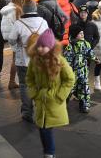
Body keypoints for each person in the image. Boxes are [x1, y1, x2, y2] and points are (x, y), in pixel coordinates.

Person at [26, 29, 75, 158]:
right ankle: (48, 153)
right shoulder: (34, 61)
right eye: (39, 46)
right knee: (42, 128)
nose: (40, 49)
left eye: (44, 46)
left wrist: (59, 96)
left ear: (51, 47)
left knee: (45, 129)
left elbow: (69, 79)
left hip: (53, 100)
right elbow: (29, 79)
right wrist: (34, 94)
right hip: (40, 100)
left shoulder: (60, 61)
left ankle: (49, 154)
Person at [8, 0, 49, 123]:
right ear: (35, 8)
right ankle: (41, 109)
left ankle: (27, 111)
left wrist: (21, 42)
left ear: (23, 10)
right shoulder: (43, 22)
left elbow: (11, 39)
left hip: (23, 60)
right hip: (40, 59)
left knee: (24, 85)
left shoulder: (19, 23)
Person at [64, 25, 97, 113]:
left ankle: (84, 105)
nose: (82, 35)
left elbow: (90, 52)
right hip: (73, 72)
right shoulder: (70, 46)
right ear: (75, 35)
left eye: (82, 33)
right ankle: (63, 105)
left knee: (84, 88)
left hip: (83, 71)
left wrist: (95, 58)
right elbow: (67, 59)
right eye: (80, 33)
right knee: (69, 89)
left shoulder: (86, 44)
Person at [1, 0, 23, 89]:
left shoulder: (6, 10)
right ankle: (12, 81)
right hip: (16, 37)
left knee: (14, 59)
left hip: (9, 36)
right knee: (16, 60)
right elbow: (19, 24)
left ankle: (12, 81)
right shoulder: (16, 10)